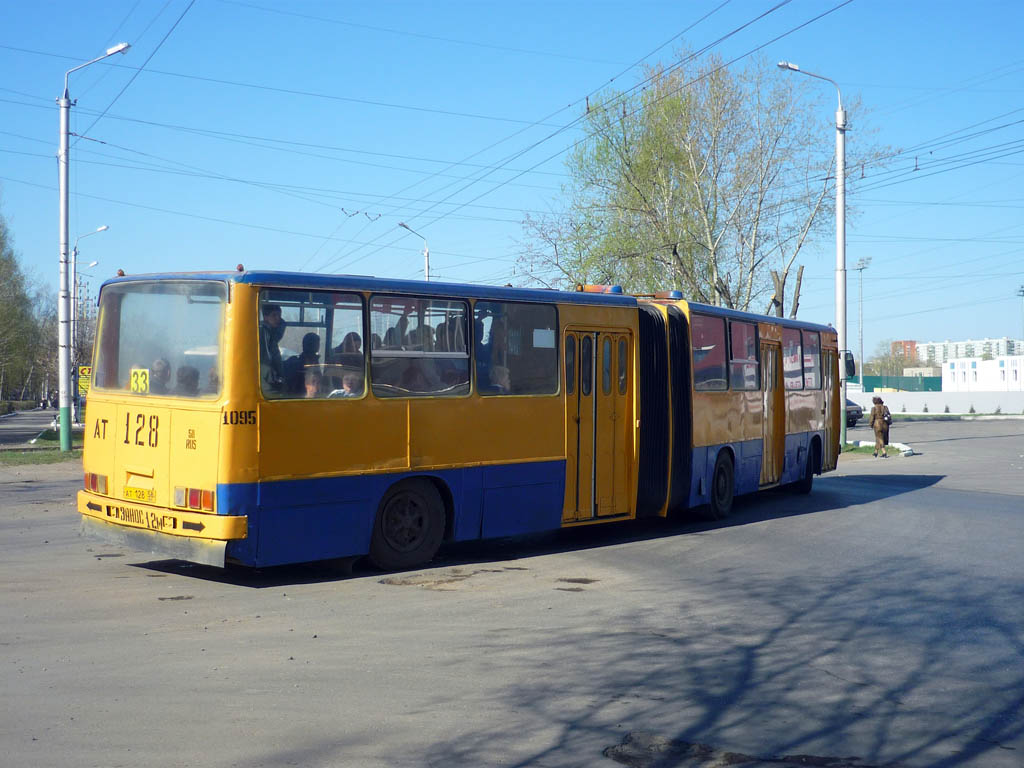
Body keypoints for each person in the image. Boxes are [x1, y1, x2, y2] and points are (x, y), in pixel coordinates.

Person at [259, 303, 285, 391]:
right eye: (274, 315)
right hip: (267, 384)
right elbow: (265, 360)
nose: (278, 319)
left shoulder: (271, 334)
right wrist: (272, 378)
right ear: (265, 317)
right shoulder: (263, 333)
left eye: (279, 315)